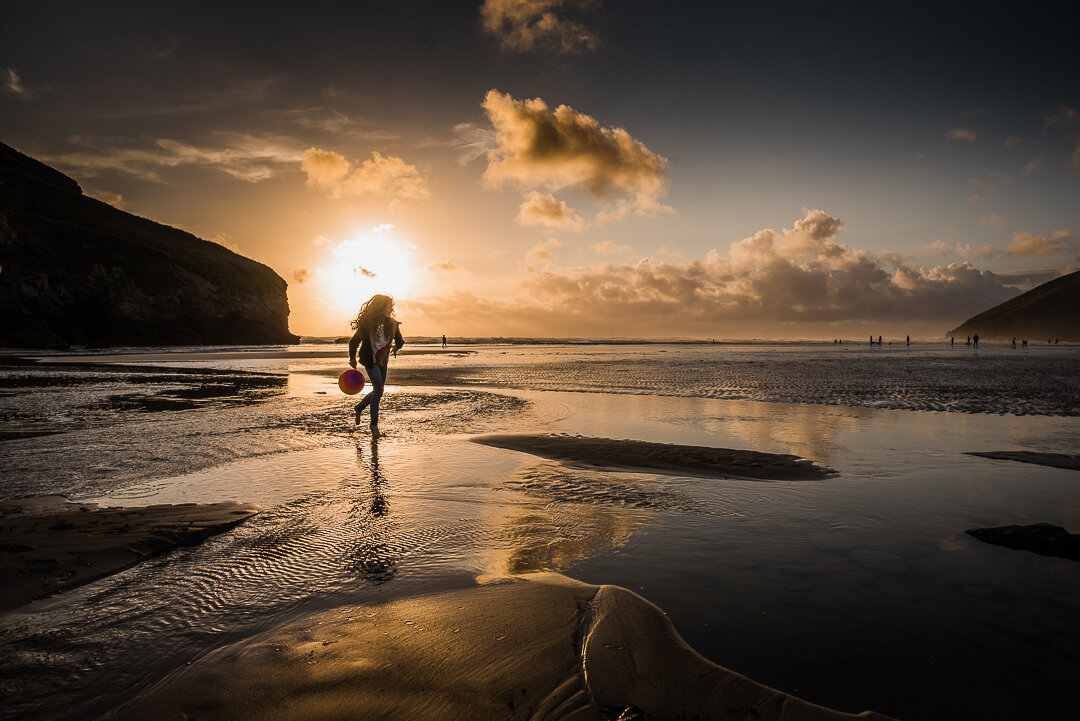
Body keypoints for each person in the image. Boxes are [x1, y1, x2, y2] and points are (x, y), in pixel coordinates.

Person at [348, 294, 404, 435]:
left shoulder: (392, 324)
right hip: (369, 359)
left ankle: (359, 408)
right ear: (380, 307)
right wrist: (352, 358)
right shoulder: (368, 323)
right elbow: (353, 342)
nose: (390, 308)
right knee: (378, 390)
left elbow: (400, 340)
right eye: (387, 305)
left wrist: (397, 347)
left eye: (391, 306)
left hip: (383, 361)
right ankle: (374, 426)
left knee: (378, 391)